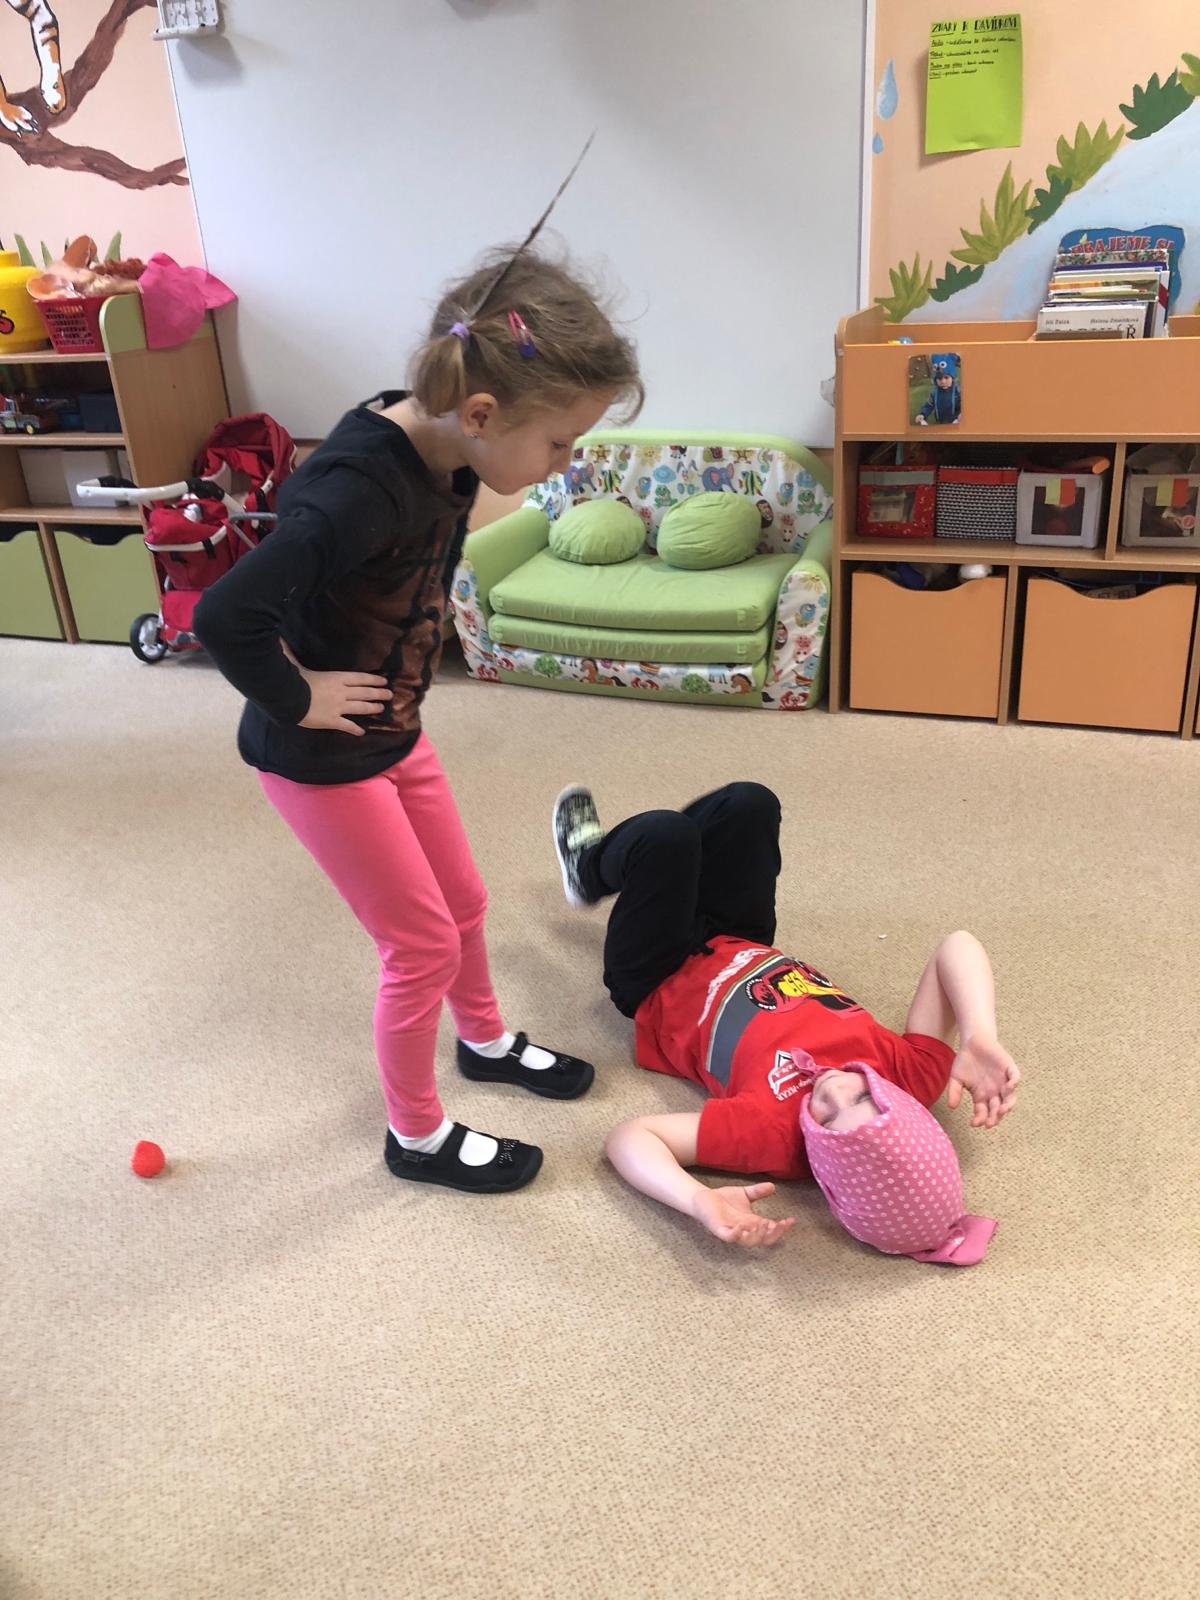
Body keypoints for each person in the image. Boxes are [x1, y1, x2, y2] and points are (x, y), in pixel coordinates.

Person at [194, 247, 642, 1195]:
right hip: (320, 754)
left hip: (395, 731)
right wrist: (300, 696)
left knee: (464, 904)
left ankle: (482, 1041)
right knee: (421, 945)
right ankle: (418, 1136)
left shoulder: (447, 444)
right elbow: (226, 614)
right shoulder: (356, 493)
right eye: (560, 443)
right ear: (479, 414)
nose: (566, 463)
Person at [551, 782, 1020, 1261]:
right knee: (749, 804)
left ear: (825, 1165)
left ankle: (589, 870)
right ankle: (660, 869)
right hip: (741, 938)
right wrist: (979, 1033)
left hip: (657, 976)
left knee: (663, 837)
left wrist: (695, 1199)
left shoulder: (774, 1137)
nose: (833, 1091)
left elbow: (631, 1139)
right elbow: (956, 947)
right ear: (906, 1110)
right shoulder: (913, 1076)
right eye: (864, 1097)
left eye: (828, 1120)